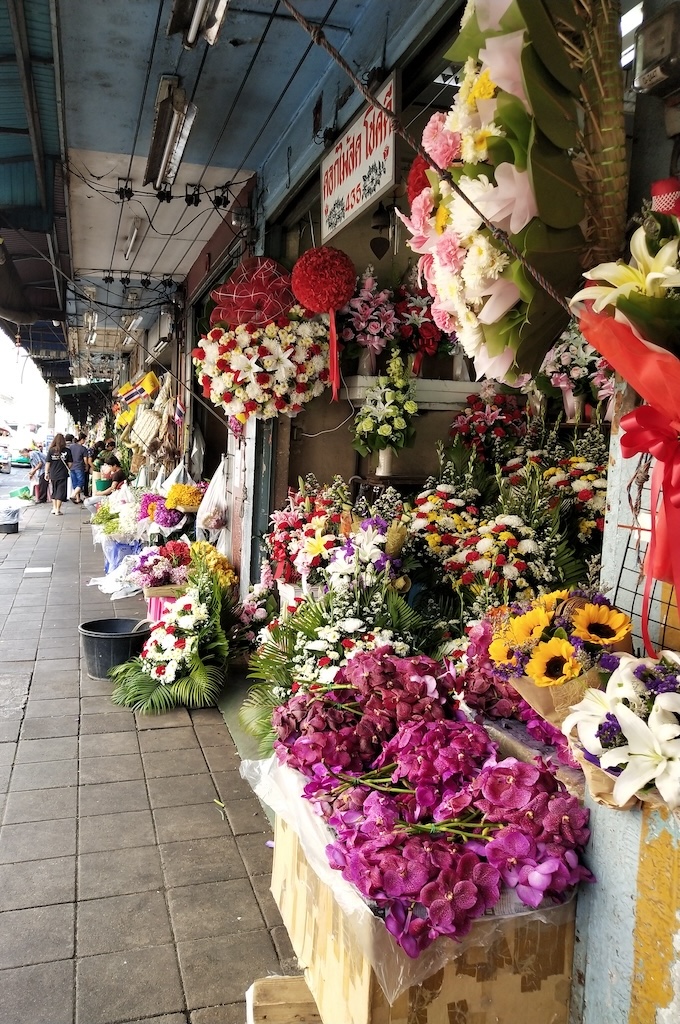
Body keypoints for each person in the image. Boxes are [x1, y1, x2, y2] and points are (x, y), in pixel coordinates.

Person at [44, 433, 72, 515]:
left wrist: (46, 472)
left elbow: (48, 463)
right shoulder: (67, 451)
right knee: (61, 491)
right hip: (63, 474)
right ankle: (57, 510)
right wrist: (66, 468)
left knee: (54, 491)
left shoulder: (51, 450)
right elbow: (70, 463)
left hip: (53, 474)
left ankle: (54, 508)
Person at [67, 432, 90, 504]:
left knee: (75, 483)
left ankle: (78, 499)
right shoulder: (83, 449)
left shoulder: (71, 447)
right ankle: (73, 495)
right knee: (81, 482)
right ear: (82, 439)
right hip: (79, 467)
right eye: (85, 440)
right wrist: (86, 466)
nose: (85, 441)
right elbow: (85, 460)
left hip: (71, 467)